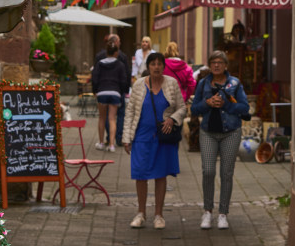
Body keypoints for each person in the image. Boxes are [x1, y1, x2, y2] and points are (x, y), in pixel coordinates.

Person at [123, 52, 186, 230]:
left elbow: (182, 108)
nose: (156, 67)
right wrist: (126, 138)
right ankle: (141, 213)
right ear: (148, 67)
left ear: (164, 66)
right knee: (140, 174)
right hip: (142, 136)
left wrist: (172, 119)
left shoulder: (171, 84)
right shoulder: (138, 85)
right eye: (153, 64)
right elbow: (130, 113)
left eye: (159, 64)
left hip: (164, 136)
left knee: (160, 174)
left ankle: (159, 215)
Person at [191, 50, 250, 230]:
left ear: (225, 65)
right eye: (213, 62)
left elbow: (245, 108)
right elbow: (194, 109)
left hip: (230, 132)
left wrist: (227, 105)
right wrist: (207, 103)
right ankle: (207, 211)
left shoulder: (235, 83)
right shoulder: (203, 84)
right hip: (208, 132)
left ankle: (223, 214)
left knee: (227, 173)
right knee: (208, 171)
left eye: (220, 62)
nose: (216, 65)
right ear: (209, 65)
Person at [91, 40, 128, 151]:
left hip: (102, 92)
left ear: (106, 52)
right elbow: (123, 80)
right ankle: (112, 145)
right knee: (112, 119)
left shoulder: (99, 64)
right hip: (115, 93)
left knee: (102, 118)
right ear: (116, 53)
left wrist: (95, 91)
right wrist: (122, 91)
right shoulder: (120, 65)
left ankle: (101, 143)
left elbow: (95, 78)